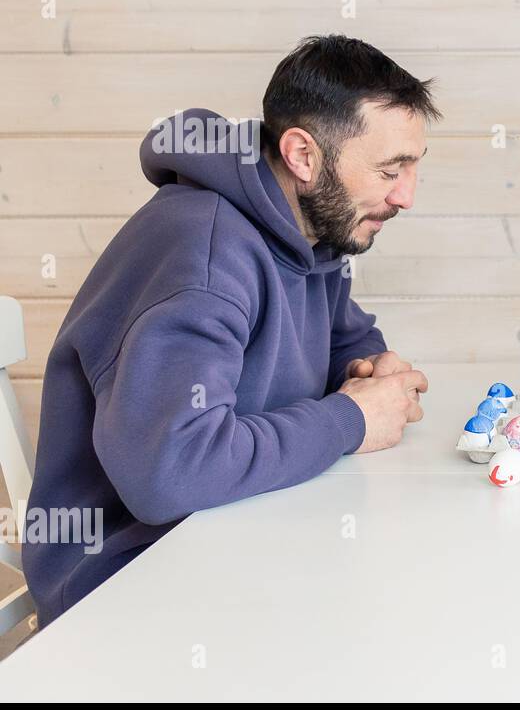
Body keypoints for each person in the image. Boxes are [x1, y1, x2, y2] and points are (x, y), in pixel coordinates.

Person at [24, 35, 435, 625]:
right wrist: (351, 419)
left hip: (239, 534)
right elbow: (170, 473)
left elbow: (343, 338)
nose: (407, 196)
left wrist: (371, 370)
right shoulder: (205, 255)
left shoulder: (309, 230)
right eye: (390, 170)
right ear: (303, 155)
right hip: (125, 582)